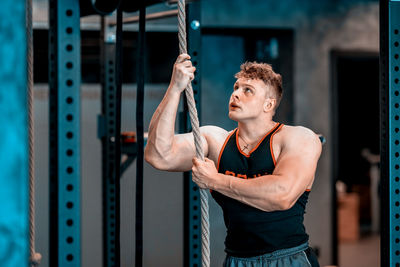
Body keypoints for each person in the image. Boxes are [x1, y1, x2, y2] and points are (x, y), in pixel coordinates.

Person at [144, 53, 322, 267]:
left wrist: (214, 180)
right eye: (236, 87)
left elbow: (282, 195)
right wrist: (175, 88)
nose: (236, 94)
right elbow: (158, 155)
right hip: (238, 260)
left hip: (288, 258)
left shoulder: (299, 137)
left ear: (268, 105)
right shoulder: (215, 140)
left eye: (248, 90)